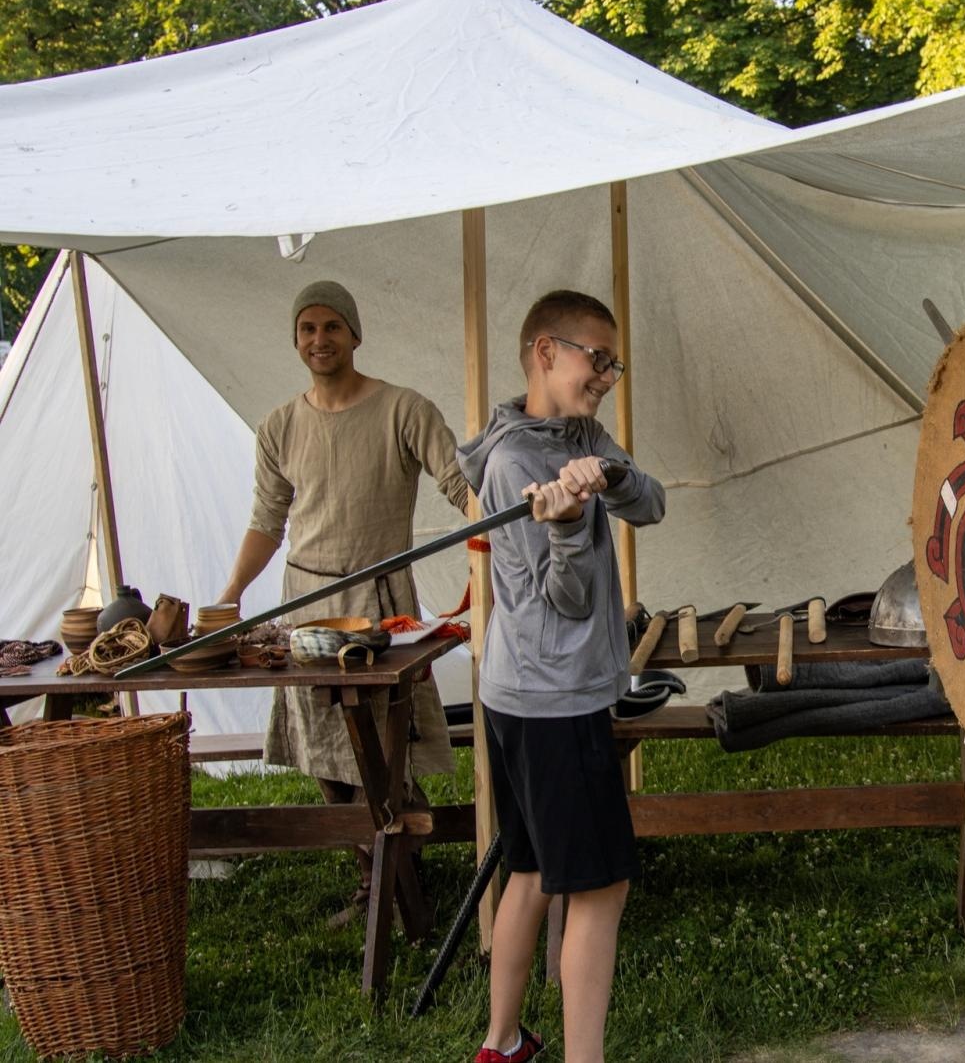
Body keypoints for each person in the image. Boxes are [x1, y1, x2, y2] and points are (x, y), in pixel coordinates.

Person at [457, 290, 665, 1063]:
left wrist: (607, 477)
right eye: (597, 358)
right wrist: (569, 525)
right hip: (552, 705)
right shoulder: (514, 461)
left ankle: (502, 1044)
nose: (608, 374)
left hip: (519, 695)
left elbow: (654, 504)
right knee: (599, 887)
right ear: (546, 352)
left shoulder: (575, 434)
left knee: (533, 868)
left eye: (614, 362)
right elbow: (567, 600)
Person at [219, 280, 471, 917]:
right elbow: (267, 521)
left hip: (381, 606)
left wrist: (499, 537)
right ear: (295, 339)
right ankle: (372, 876)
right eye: (307, 328)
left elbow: (458, 482)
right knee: (325, 750)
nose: (319, 340)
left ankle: (401, 867)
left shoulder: (403, 409)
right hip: (307, 606)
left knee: (386, 743)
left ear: (355, 334)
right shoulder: (279, 426)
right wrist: (230, 596)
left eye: (332, 327)